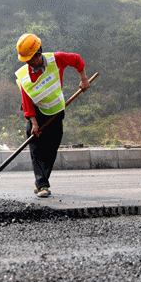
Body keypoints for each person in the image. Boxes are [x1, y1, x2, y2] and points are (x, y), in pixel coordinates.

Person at [15, 33, 90, 198]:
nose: (28, 62)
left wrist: (84, 79)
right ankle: (42, 185)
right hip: (36, 115)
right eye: (25, 59)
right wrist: (33, 123)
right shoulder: (24, 76)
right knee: (36, 150)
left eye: (30, 58)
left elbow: (77, 60)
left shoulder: (56, 60)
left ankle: (41, 183)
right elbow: (26, 103)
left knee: (51, 150)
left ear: (38, 54)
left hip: (56, 114)